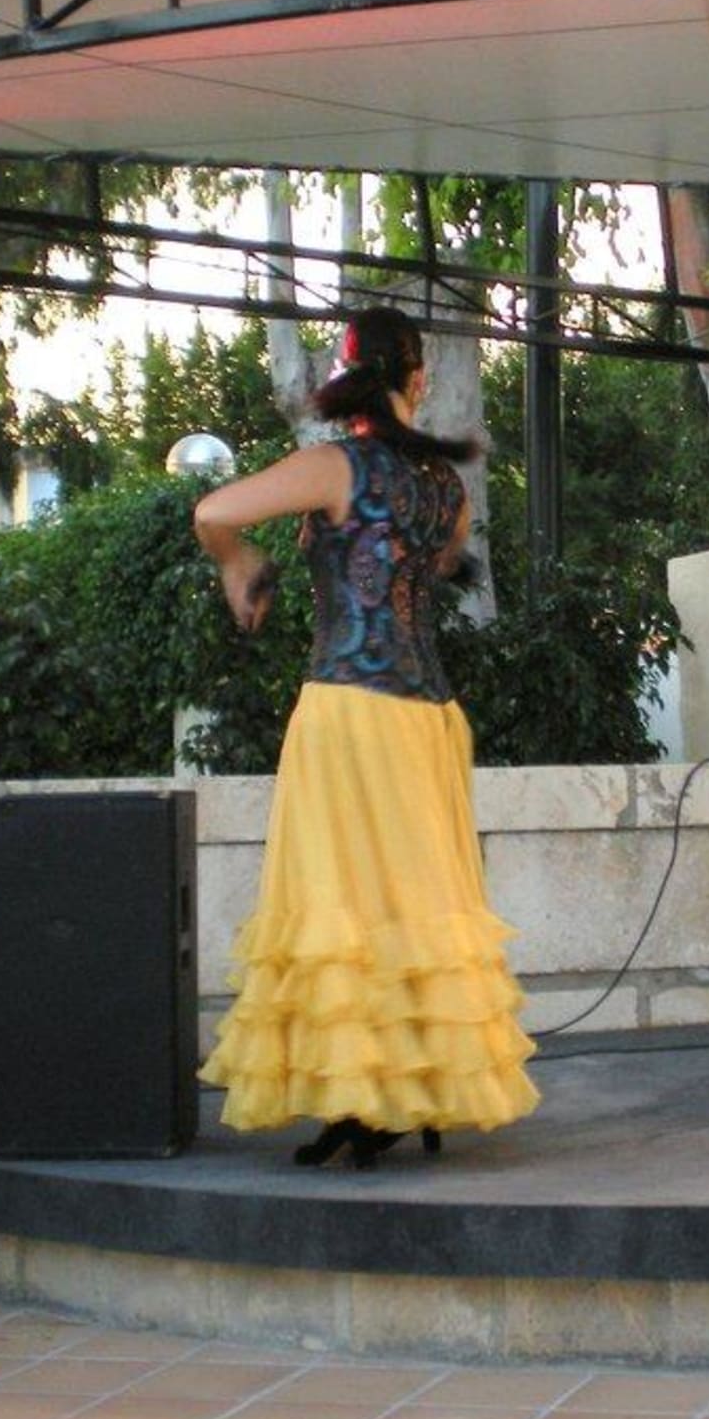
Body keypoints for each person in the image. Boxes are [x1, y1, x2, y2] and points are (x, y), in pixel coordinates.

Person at [193, 305, 539, 1166]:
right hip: (430, 720)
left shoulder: (333, 466)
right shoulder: (447, 488)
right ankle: (405, 1091)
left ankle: (363, 1096)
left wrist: (240, 563)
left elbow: (214, 509)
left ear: (345, 377)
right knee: (415, 909)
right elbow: (445, 560)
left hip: (349, 712)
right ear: (419, 378)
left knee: (341, 903)